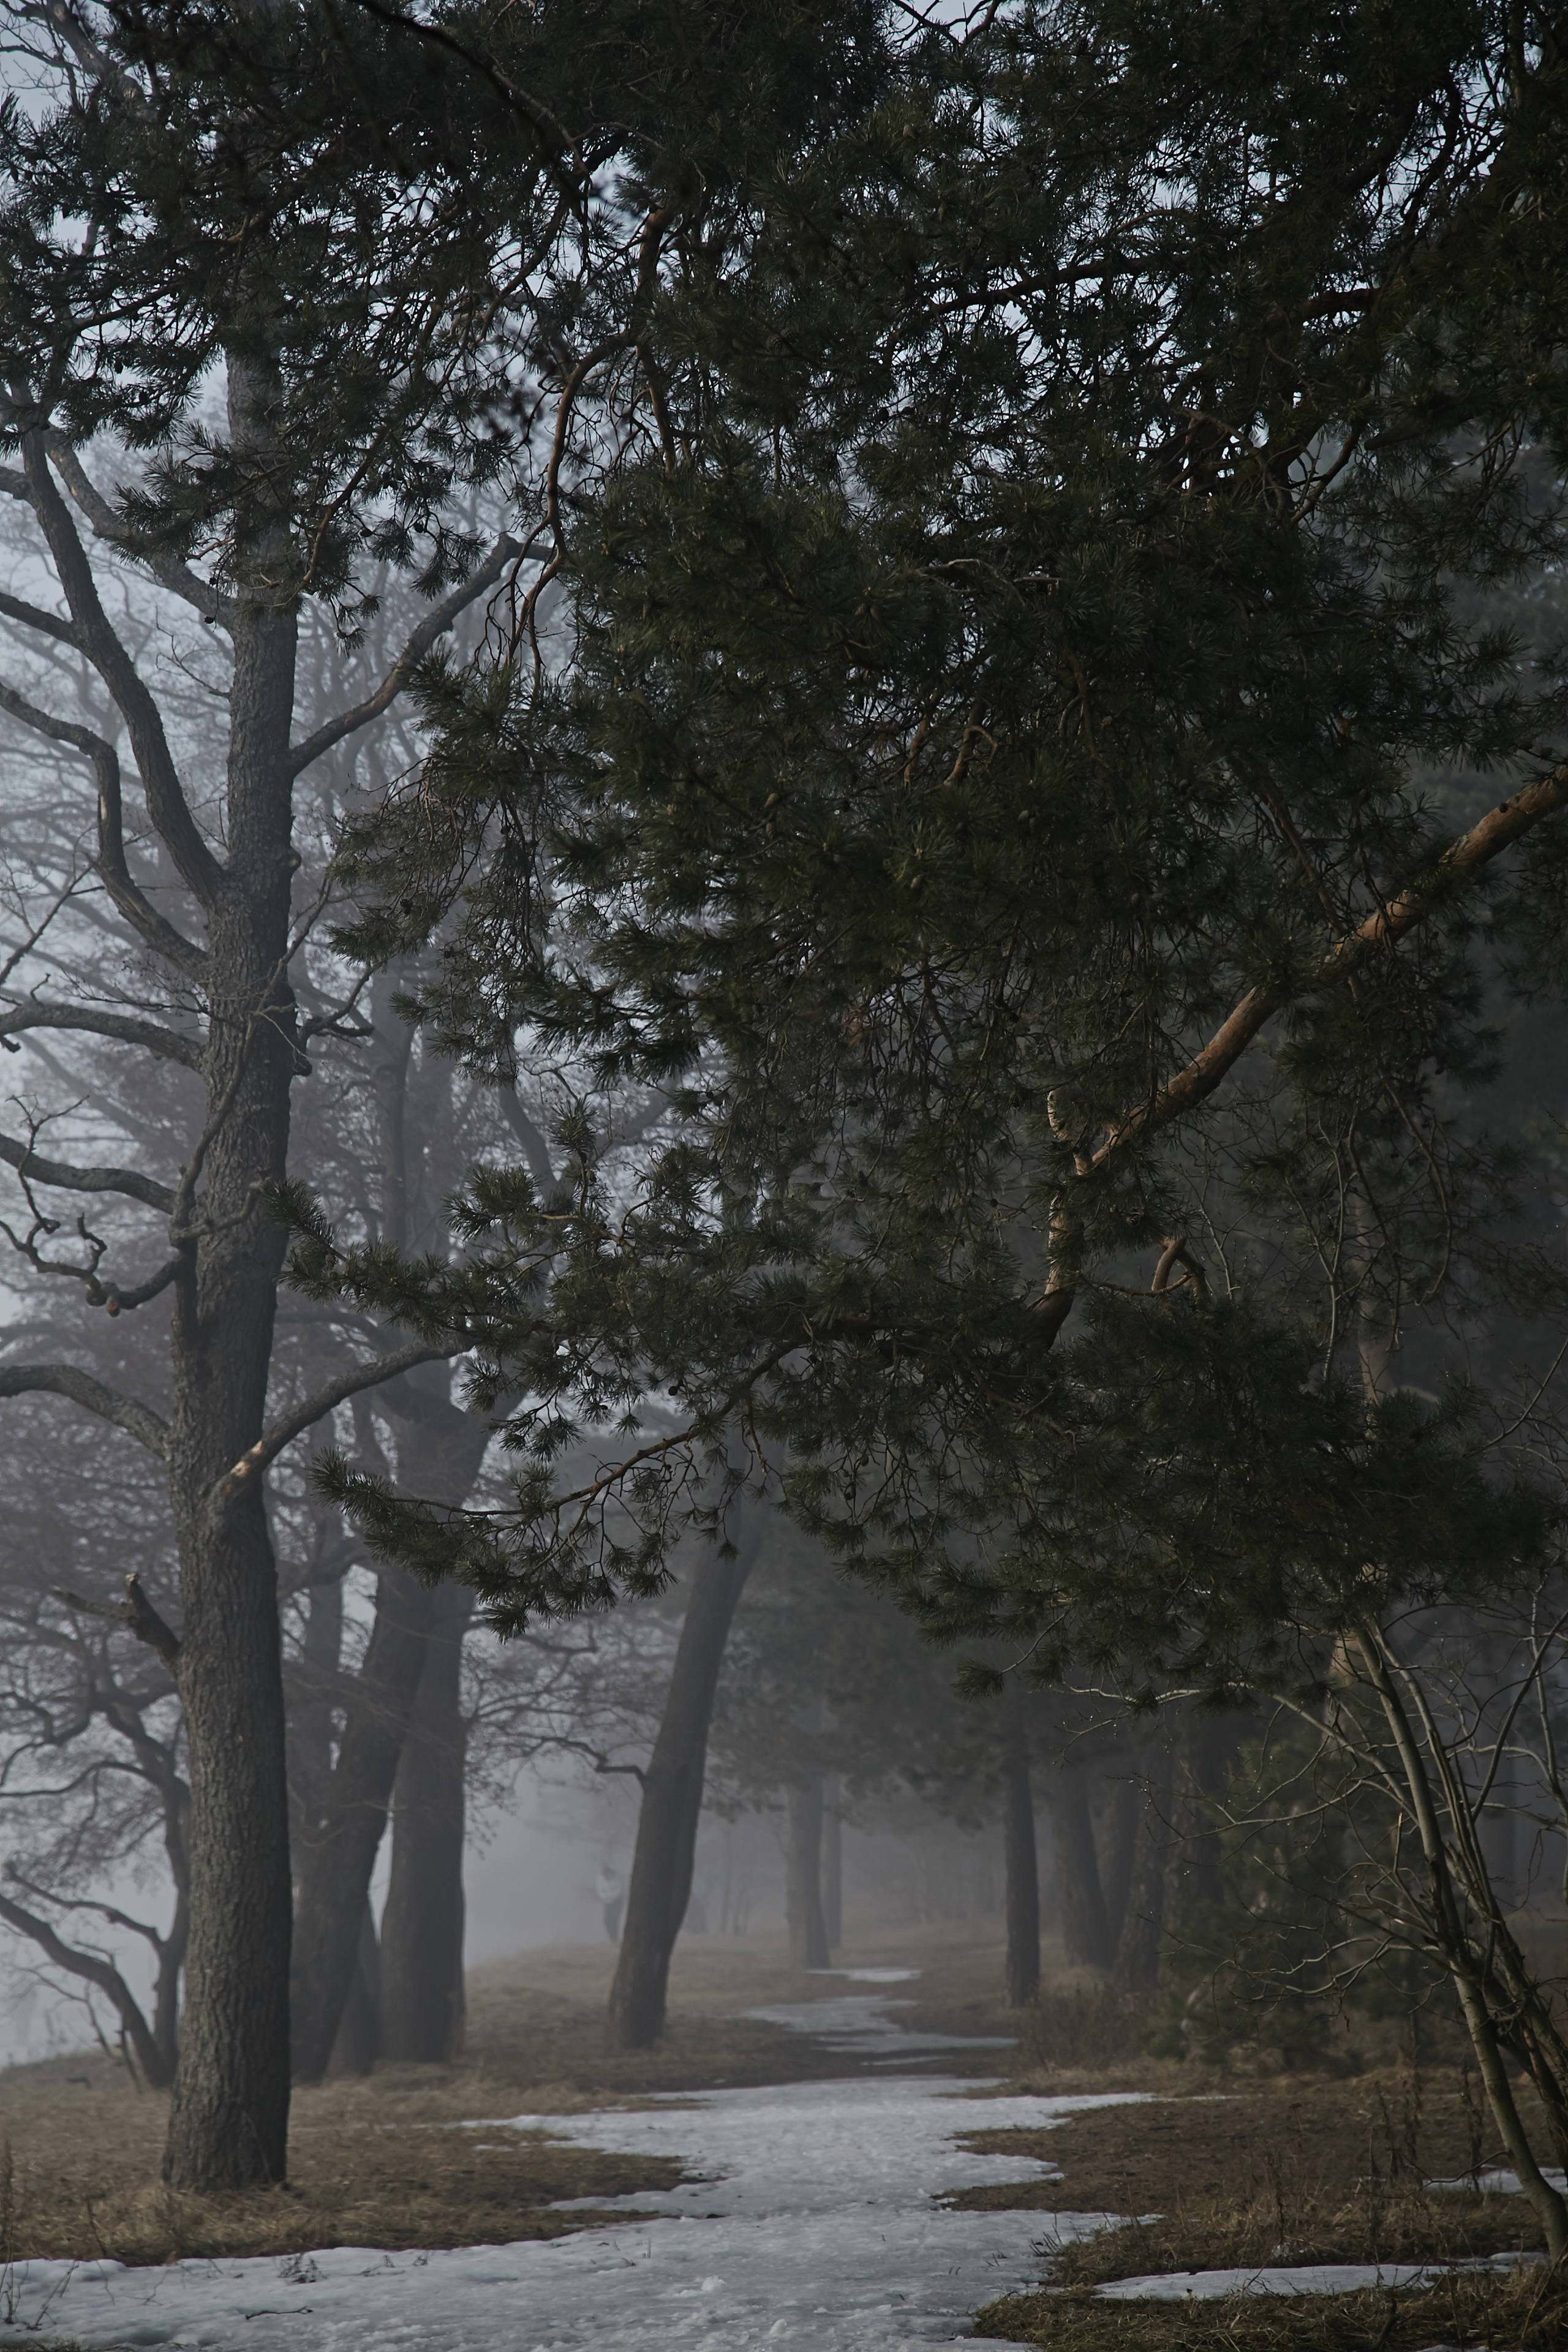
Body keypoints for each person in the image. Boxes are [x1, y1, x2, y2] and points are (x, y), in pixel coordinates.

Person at [595, 1863, 624, 1943]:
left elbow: (619, 1890)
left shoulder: (618, 1877)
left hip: (617, 1902)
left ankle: (616, 1939)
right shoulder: (600, 1879)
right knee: (607, 1922)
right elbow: (600, 1892)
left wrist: (611, 1898)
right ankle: (612, 1939)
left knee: (615, 1921)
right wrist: (607, 1899)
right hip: (607, 1903)